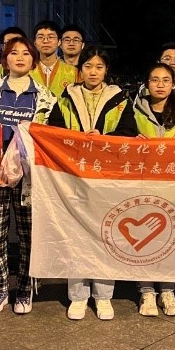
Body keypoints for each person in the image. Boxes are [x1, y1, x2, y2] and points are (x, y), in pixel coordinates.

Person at [47, 46, 138, 320]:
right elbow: (53, 132)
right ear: (80, 69)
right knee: (75, 236)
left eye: (99, 67)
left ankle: (103, 296)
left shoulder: (119, 99)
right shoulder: (66, 98)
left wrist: (103, 138)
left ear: (106, 70)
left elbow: (129, 132)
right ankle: (77, 296)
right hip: (73, 177)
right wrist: (77, 140)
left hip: (105, 177)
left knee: (105, 235)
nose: (93, 72)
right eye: (88, 66)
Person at [0, 36, 55, 315]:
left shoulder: (45, 95)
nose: (19, 58)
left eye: (26, 54)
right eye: (13, 53)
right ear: (4, 59)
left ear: (34, 60)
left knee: (29, 233)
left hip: (30, 175)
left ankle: (26, 288)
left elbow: (49, 135)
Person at [132, 63, 175, 317]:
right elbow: (121, 139)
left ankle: (168, 290)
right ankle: (147, 290)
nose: (160, 85)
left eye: (165, 80)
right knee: (145, 240)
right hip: (144, 183)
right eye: (154, 80)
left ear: (174, 84)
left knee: (172, 238)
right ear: (146, 84)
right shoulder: (135, 111)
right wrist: (131, 140)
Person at [30, 20, 79, 97]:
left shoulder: (74, 72)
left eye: (50, 37)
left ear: (59, 42)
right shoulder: (27, 71)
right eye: (40, 37)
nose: (45, 41)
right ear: (35, 43)